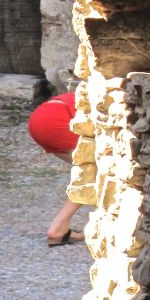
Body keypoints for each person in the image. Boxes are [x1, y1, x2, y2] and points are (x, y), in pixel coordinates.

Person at [28, 88, 84, 246]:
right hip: (58, 119)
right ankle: (58, 229)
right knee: (96, 171)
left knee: (91, 170)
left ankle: (61, 228)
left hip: (39, 117)